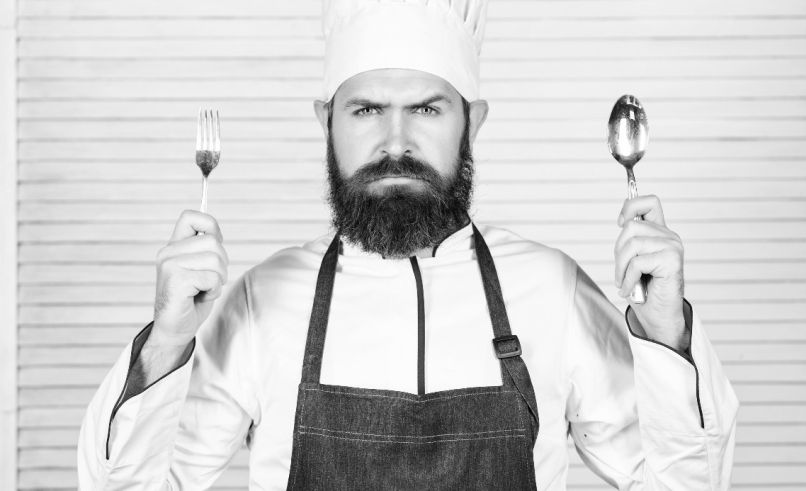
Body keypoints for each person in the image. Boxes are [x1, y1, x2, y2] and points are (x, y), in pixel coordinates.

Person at [78, 0, 738, 489]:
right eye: (366, 109)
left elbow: (687, 483)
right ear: (326, 122)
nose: (396, 141)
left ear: (471, 122)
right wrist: (166, 341)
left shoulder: (553, 290)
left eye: (426, 108)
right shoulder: (261, 301)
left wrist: (665, 333)